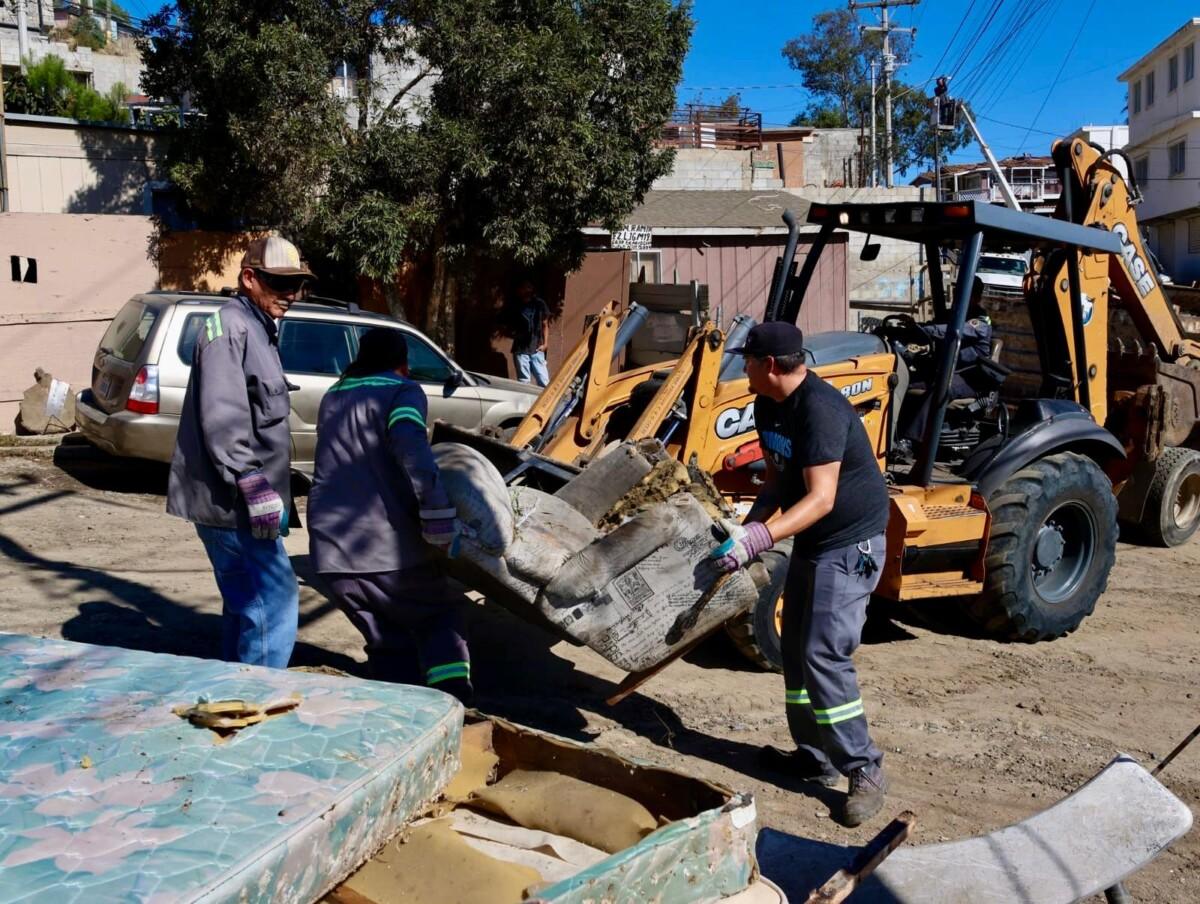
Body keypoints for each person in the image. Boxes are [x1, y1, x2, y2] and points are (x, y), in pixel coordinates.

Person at [711, 321, 891, 827]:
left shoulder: (821, 410)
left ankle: (865, 768)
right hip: (814, 540)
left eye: (747, 360)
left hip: (848, 543)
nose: (742, 368)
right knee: (794, 651)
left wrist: (766, 538)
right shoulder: (768, 404)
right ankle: (815, 758)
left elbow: (821, 497)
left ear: (770, 365)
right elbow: (778, 479)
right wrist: (745, 532)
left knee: (823, 653)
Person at [167, 235, 313, 668]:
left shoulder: (257, 328)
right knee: (274, 597)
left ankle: (236, 693)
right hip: (232, 505)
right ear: (250, 278)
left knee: (247, 604)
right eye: (281, 284)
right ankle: (259, 701)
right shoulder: (230, 328)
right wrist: (250, 481)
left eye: (298, 286)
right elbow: (224, 414)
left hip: (242, 503)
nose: (293, 296)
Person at [307, 328, 473, 703]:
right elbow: (412, 449)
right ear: (403, 364)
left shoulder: (334, 394)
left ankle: (395, 712)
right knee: (442, 616)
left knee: (386, 639)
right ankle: (454, 705)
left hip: (331, 554)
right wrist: (438, 517)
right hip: (384, 549)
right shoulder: (402, 391)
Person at [896, 276, 994, 456]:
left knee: (940, 388)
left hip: (969, 378)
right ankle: (893, 434)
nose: (957, 296)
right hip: (945, 372)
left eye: (963, 293)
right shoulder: (952, 315)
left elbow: (950, 331)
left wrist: (925, 329)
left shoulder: (980, 321)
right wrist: (911, 328)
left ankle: (909, 442)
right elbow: (933, 326)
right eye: (956, 292)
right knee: (902, 383)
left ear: (976, 297)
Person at [505, 278, 551, 386]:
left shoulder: (539, 304)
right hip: (521, 350)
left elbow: (545, 324)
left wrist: (545, 344)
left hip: (537, 348)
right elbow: (508, 324)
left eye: (528, 287)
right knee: (524, 383)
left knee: (544, 382)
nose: (526, 290)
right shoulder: (515, 305)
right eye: (523, 288)